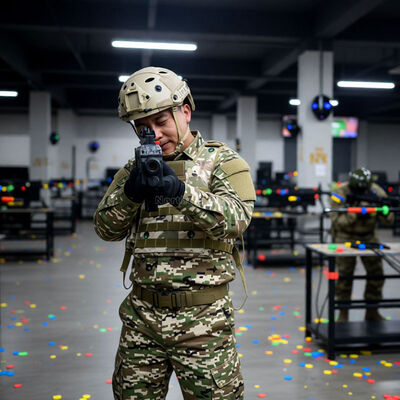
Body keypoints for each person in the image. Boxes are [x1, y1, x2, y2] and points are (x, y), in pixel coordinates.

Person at [94, 66, 256, 399]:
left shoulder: (223, 161)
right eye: (143, 128)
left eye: (161, 121)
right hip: (142, 318)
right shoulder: (134, 169)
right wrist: (130, 194)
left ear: (185, 111)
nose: (154, 134)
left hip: (204, 322)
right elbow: (105, 228)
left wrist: (180, 192)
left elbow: (237, 219)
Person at [330, 167, 394, 322]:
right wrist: (354, 211)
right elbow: (337, 220)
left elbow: (389, 220)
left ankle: (372, 311)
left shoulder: (376, 191)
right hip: (345, 236)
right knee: (344, 276)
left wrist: (380, 210)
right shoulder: (339, 192)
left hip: (369, 236)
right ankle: (343, 313)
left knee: (376, 275)